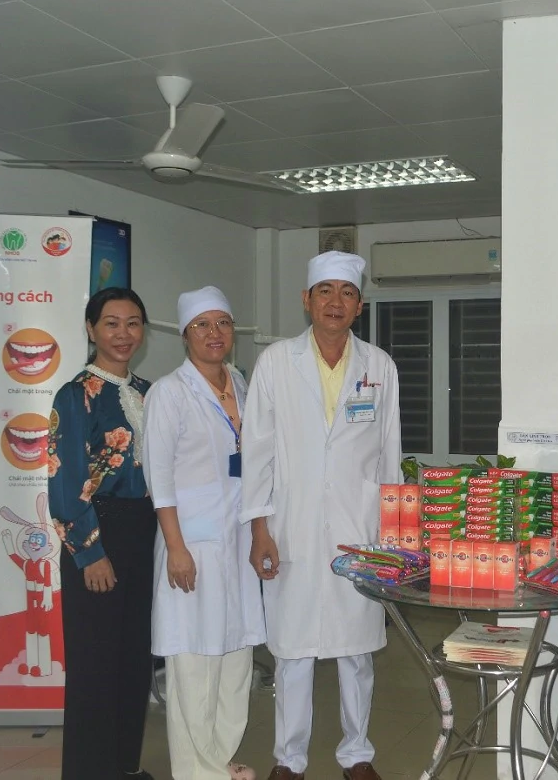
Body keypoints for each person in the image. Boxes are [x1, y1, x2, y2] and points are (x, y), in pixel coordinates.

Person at [242, 251, 402, 780]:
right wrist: (260, 529)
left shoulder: (379, 366)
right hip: (291, 524)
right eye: (326, 291)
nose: (336, 302)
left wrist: (391, 535)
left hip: (360, 527)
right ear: (306, 300)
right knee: (292, 650)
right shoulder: (275, 363)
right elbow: (257, 452)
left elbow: (389, 454)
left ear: (360, 306)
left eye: (347, 293)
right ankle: (289, 759)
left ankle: (357, 753)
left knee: (357, 650)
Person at [142, 287, 264, 780]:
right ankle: (197, 771)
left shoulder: (241, 383)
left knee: (236, 654)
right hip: (190, 542)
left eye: (223, 323)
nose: (215, 333)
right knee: (193, 659)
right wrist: (175, 547)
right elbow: (159, 477)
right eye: (202, 325)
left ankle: (221, 756)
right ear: (185, 334)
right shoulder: (169, 393)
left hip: (236, 539)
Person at [47, 287, 156, 780]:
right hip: (98, 534)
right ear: (91, 329)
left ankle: (123, 768)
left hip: (144, 531)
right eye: (111, 323)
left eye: (133, 323)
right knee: (95, 663)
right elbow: (65, 480)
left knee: (134, 658)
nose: (123, 333)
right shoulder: (75, 395)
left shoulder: (150, 392)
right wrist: (89, 553)